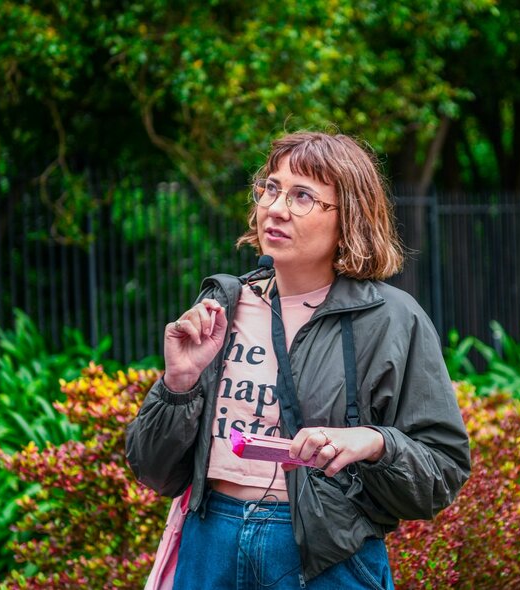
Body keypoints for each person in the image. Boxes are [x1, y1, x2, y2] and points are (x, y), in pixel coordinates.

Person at [126, 131, 471, 589]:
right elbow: (153, 469)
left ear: (349, 217)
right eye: (271, 188)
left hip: (326, 555)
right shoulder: (221, 307)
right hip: (210, 542)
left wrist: (373, 442)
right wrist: (179, 383)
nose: (276, 208)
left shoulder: (390, 319)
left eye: (302, 196)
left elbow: (442, 470)